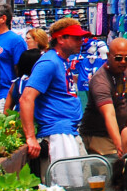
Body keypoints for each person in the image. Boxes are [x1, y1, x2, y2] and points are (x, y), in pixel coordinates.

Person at [20, 17, 88, 168]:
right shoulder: (49, 62)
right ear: (61, 39)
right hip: (58, 134)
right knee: (66, 187)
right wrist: (30, 137)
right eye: (76, 38)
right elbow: (26, 98)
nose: (81, 41)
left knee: (78, 186)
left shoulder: (61, 60)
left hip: (68, 130)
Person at [80, 37, 127, 156]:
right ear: (108, 55)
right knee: (110, 169)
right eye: (118, 58)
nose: (123, 62)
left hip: (120, 131)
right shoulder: (100, 81)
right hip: (99, 135)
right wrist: (119, 145)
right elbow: (109, 115)